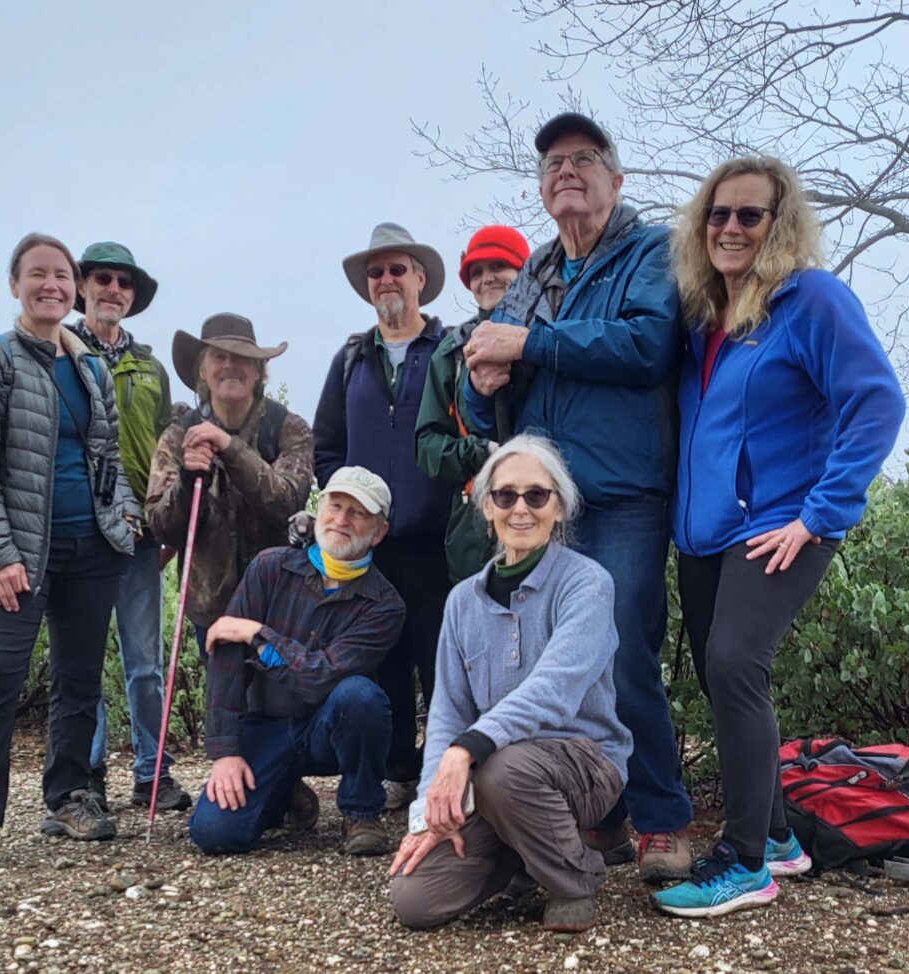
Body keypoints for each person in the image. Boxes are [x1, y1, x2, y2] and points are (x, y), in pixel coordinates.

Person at [651, 157, 905, 917]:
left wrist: (819, 514)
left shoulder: (811, 301)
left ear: (779, 224)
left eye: (749, 215)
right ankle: (782, 839)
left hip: (779, 528)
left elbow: (878, 403)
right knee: (723, 676)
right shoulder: (703, 319)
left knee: (733, 663)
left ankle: (748, 862)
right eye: (718, 215)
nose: (730, 228)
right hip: (703, 535)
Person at [462, 112, 693, 880]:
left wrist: (527, 344)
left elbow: (645, 343)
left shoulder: (651, 251)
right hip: (542, 502)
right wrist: (481, 372)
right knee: (550, 664)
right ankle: (602, 820)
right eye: (553, 163)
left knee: (624, 652)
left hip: (624, 491)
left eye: (583, 159)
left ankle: (663, 821)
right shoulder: (533, 270)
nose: (566, 171)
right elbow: (490, 358)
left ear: (616, 181)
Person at [0, 233, 138, 868]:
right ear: (15, 284)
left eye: (62, 275)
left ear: (75, 287)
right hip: (17, 554)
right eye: (38, 274)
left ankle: (71, 795)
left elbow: (107, 455)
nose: (51, 285)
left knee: (80, 679)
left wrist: (126, 515)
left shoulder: (89, 366)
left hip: (93, 548)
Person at [390, 434, 631, 932]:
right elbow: (448, 713)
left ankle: (575, 877)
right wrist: (428, 814)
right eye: (505, 496)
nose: (521, 508)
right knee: (415, 900)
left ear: (559, 507)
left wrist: (466, 751)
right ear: (487, 507)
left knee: (502, 771)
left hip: (583, 762)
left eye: (536, 495)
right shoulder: (460, 602)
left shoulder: (588, 583)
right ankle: (526, 856)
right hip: (495, 772)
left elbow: (555, 689)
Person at [188, 467, 406, 857]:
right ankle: (285, 791)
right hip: (266, 724)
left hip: (330, 731)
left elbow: (321, 677)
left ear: (379, 532)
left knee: (361, 696)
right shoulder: (269, 567)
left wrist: (259, 634)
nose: (341, 520)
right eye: (335, 506)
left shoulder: (386, 606)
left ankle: (361, 811)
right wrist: (226, 753)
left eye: (357, 513)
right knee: (215, 833)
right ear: (318, 511)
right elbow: (226, 657)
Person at [313, 222, 452, 811]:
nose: (387, 280)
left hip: (439, 542)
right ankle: (396, 768)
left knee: (443, 657)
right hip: (375, 547)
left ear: (420, 278)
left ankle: (446, 770)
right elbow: (327, 447)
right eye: (377, 272)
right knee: (382, 655)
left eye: (398, 269)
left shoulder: (452, 351)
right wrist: (350, 514)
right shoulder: (350, 360)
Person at [68, 240, 190, 814]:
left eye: (123, 282)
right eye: (103, 279)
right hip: (79, 532)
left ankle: (153, 772)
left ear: (132, 296)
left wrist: (166, 523)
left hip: (141, 534)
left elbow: (165, 449)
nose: (113, 290)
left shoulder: (151, 368)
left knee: (144, 662)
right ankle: (85, 775)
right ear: (82, 287)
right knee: (84, 660)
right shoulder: (58, 355)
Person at [145, 313, 314, 650]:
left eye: (241, 358)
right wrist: (187, 480)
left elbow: (287, 502)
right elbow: (161, 525)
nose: (229, 365)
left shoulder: (288, 428)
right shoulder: (178, 436)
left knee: (281, 701)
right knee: (223, 703)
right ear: (202, 370)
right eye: (218, 357)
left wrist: (229, 447)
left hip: (280, 606)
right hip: (210, 612)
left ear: (259, 371)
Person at [415, 225, 531, 582]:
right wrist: (480, 452)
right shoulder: (451, 352)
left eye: (499, 266)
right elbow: (427, 445)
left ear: (523, 272)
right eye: (476, 272)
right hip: (475, 526)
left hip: (547, 512)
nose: (486, 279)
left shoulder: (552, 334)